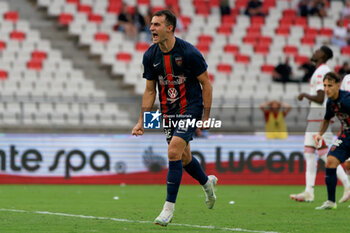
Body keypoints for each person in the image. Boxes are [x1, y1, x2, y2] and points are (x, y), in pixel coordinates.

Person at [131, 10, 217, 227]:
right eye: (151, 24)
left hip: (191, 107)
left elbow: (206, 84)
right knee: (184, 157)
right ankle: (208, 184)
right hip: (169, 111)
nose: (151, 28)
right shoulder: (150, 55)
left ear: (170, 28)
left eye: (157, 24)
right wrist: (142, 120)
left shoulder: (189, 53)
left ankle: (168, 209)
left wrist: (206, 116)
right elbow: (150, 90)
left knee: (173, 151)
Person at [290, 46, 350, 203]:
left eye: (317, 51)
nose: (314, 52)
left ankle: (347, 184)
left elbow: (320, 97)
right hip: (314, 116)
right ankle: (309, 191)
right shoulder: (319, 70)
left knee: (325, 154)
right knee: (309, 153)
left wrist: (304, 95)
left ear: (323, 55)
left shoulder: (322, 71)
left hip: (319, 115)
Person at [314, 72, 350, 209]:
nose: (326, 89)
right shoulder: (331, 102)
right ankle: (331, 202)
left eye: (330, 85)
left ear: (338, 85)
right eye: (324, 85)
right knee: (330, 161)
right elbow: (326, 119)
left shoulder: (347, 100)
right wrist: (319, 134)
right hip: (346, 135)